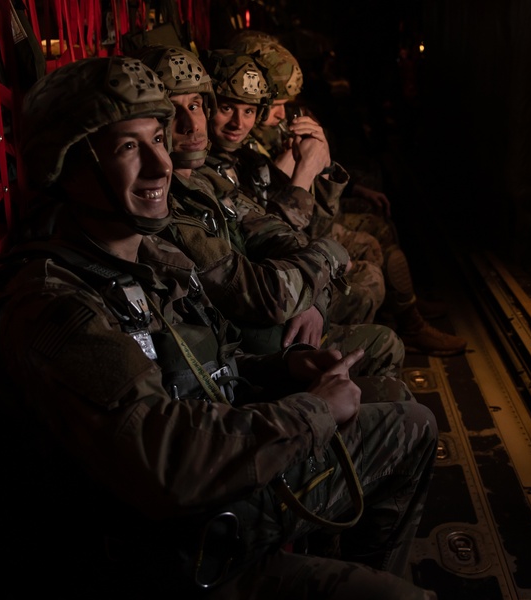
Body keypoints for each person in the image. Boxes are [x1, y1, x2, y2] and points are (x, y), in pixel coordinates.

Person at [0, 55, 442, 600]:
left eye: (158, 140)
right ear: (67, 167)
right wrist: (311, 411)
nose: (161, 164)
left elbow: (212, 364)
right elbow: (163, 464)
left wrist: (284, 373)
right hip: (157, 572)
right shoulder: (54, 308)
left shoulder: (151, 259)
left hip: (214, 502)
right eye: (129, 147)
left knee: (410, 425)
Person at [138, 44, 402, 383]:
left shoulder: (208, 180)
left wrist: (314, 297)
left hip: (266, 326)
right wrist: (328, 253)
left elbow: (286, 235)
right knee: (382, 340)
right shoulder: (175, 196)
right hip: (245, 352)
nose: (191, 125)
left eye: (196, 106)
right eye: (174, 113)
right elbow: (267, 292)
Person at [228, 32, 468, 357]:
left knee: (377, 228)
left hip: (294, 239)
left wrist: (322, 170)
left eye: (249, 109)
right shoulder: (235, 152)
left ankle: (406, 310)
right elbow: (279, 230)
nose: (282, 115)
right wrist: (300, 172)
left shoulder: (259, 139)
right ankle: (394, 325)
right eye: (277, 105)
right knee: (368, 254)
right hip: (279, 264)